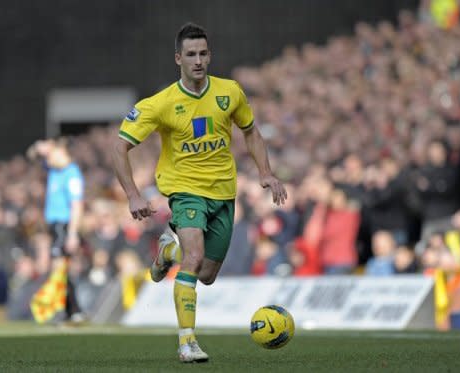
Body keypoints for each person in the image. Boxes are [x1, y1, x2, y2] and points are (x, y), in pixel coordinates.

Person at [112, 22, 287, 363]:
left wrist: (265, 172)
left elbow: (251, 132)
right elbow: (120, 148)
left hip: (223, 193)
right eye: (190, 54)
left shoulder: (230, 92)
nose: (198, 60)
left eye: (203, 53)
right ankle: (187, 342)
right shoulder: (160, 104)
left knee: (205, 274)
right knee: (193, 258)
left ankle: (167, 253)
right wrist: (133, 194)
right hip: (185, 190)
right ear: (178, 58)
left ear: (210, 56)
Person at [27, 137, 86, 323]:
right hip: (54, 226)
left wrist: (72, 233)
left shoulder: (72, 174)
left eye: (51, 155)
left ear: (61, 152)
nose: (48, 160)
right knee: (62, 270)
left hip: (64, 225)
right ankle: (73, 311)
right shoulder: (54, 169)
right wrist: (41, 148)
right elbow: (32, 154)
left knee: (58, 267)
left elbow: (77, 205)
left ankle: (59, 309)